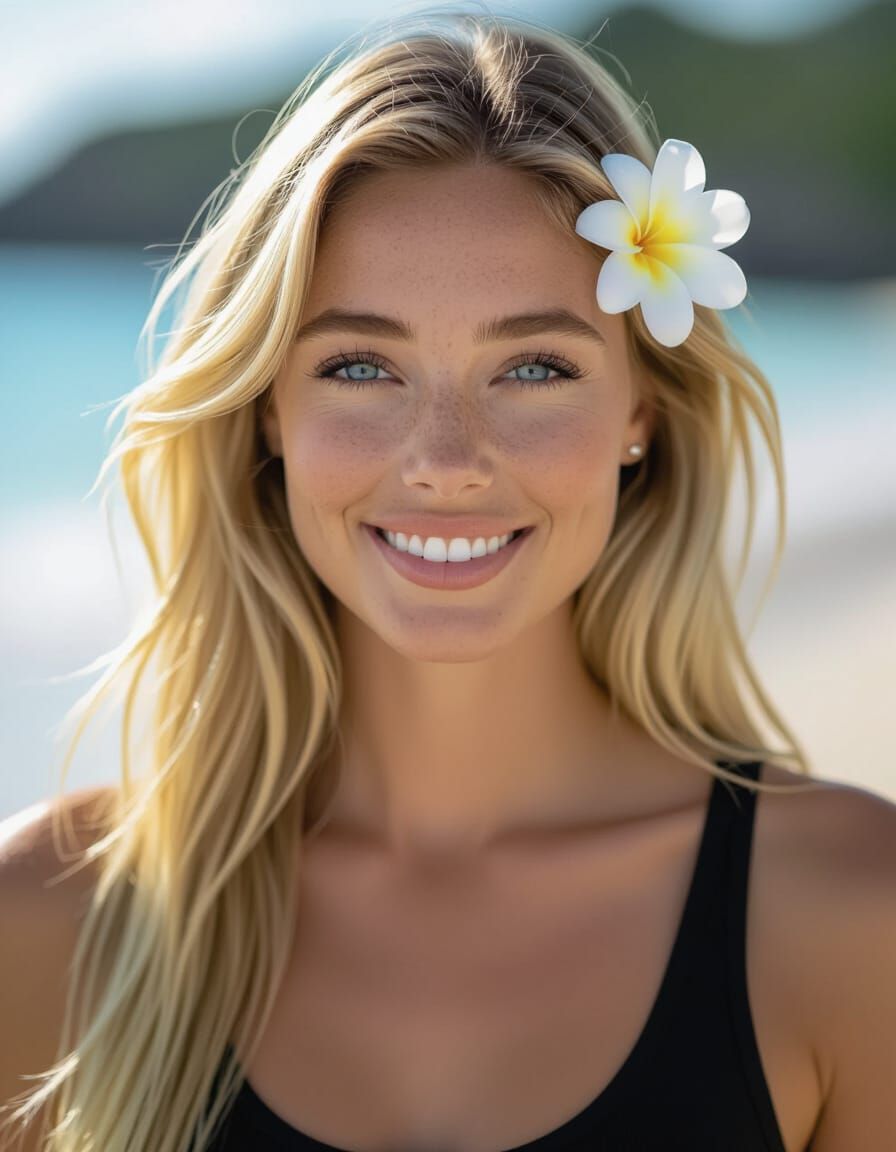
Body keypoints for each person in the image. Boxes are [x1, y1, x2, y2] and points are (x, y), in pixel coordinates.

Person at [2, 6, 894, 1152]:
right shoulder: (47, 921)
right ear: (266, 411)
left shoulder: (847, 919)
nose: (444, 460)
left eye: (533, 367)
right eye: (358, 366)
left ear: (639, 409)